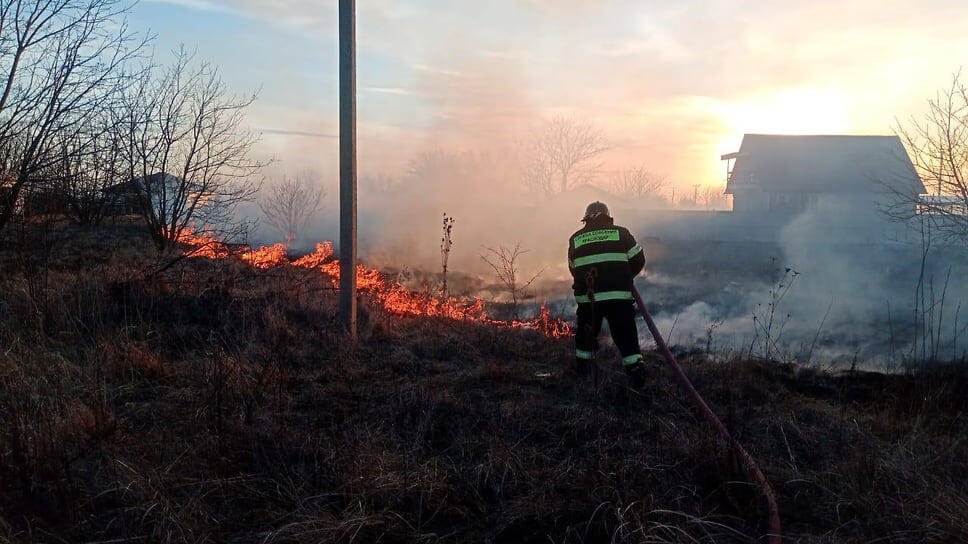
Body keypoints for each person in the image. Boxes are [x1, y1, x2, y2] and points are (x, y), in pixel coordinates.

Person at [568, 201, 648, 387]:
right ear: (608, 216)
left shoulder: (576, 239)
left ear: (586, 220)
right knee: (626, 337)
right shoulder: (621, 233)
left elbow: (574, 269)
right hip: (618, 298)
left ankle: (584, 373)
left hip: (589, 300)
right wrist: (624, 277)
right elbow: (638, 259)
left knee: (585, 337)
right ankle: (636, 376)